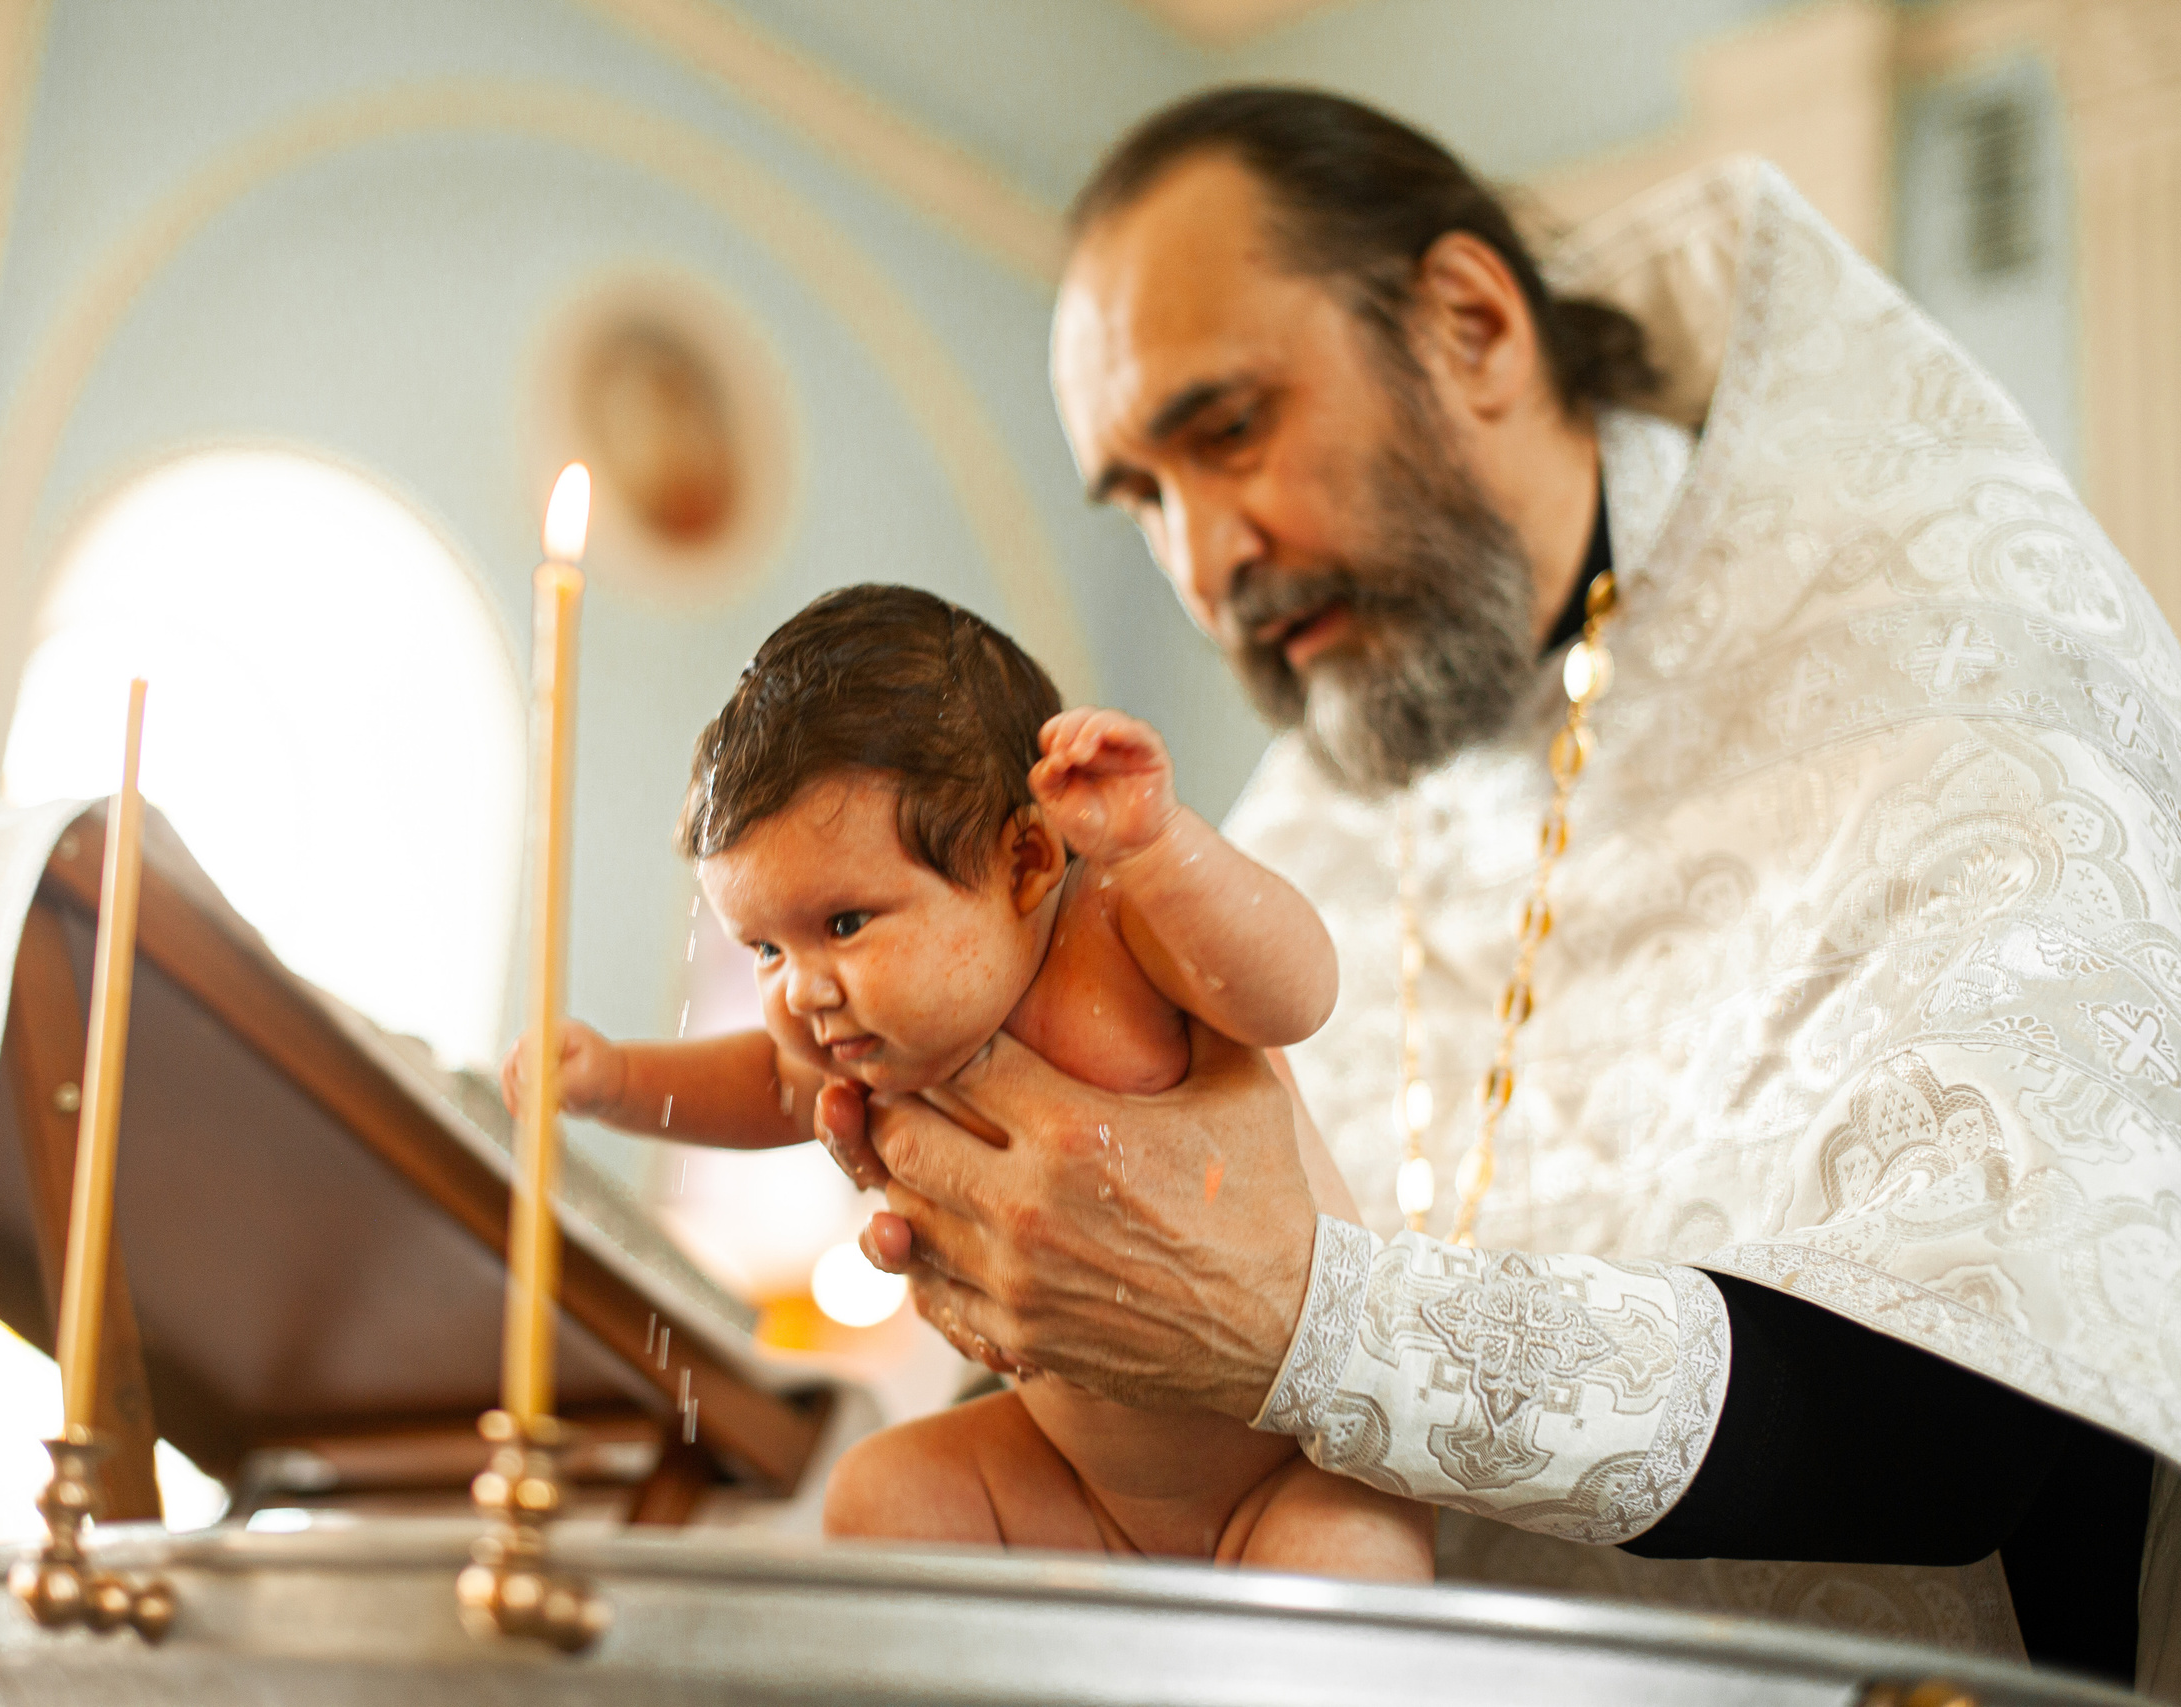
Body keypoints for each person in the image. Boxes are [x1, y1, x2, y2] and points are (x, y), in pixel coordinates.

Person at [825, 88, 2180, 1690]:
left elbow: (1973, 1412)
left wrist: (1312, 1323)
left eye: (1230, 429)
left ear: (1471, 324)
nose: (1203, 561)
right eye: (1142, 495)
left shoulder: (1936, 651)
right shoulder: (1311, 812)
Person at [507, 583, 1433, 1577]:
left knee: (1343, 1573)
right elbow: (767, 1084)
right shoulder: (883, 1045)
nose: (803, 990)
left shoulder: (1118, 927)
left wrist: (1163, 847)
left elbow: (1296, 993)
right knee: (881, 1492)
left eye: (845, 924)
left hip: (1286, 1477)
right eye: (765, 951)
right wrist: (613, 1080)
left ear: (1027, 859)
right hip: (1073, 1486)